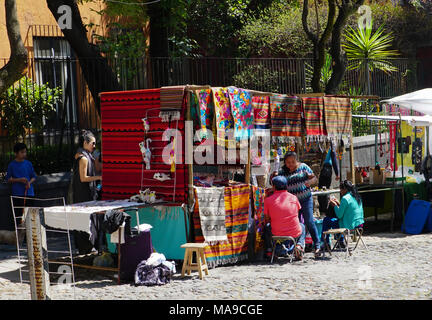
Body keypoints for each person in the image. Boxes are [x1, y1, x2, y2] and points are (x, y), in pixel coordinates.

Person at [275, 151, 321, 257]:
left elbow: (314, 178)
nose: (290, 164)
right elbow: (275, 181)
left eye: (292, 162)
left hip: (305, 199)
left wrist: (310, 182)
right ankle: (297, 247)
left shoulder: (304, 167)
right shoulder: (283, 172)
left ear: (296, 160)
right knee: (296, 225)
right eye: (288, 162)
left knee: (309, 221)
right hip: (291, 203)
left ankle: (317, 245)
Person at [71, 130, 102, 254]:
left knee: (90, 220)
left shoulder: (86, 155)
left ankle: (89, 247)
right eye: (92, 144)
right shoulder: (83, 158)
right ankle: (85, 247)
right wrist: (99, 178)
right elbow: (83, 178)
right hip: (82, 194)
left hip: (88, 193)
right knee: (85, 220)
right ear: (85, 142)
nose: (94, 146)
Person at [264, 176, 306, 260]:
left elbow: (267, 218)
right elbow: (296, 215)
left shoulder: (267, 200)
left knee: (267, 227)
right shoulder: (294, 197)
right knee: (302, 226)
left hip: (276, 232)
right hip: (294, 232)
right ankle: (299, 245)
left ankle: (269, 250)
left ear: (274, 187)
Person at [322, 180, 365, 248]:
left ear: (345, 189)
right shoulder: (357, 196)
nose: (340, 191)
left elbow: (339, 215)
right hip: (359, 223)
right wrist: (339, 204)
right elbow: (348, 209)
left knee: (326, 220)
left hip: (349, 225)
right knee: (336, 221)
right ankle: (340, 241)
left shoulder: (345, 198)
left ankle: (326, 243)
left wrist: (335, 206)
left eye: (341, 189)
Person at [6, 143, 37, 226]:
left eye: (25, 152)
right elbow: (8, 179)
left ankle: (30, 238)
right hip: (17, 194)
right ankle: (20, 237)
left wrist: (29, 183)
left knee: (30, 217)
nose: (24, 154)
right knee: (19, 217)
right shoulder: (11, 165)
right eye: (22, 152)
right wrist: (19, 179)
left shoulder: (28, 164)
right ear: (16, 153)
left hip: (29, 193)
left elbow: (34, 177)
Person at [318, 142, 339, 216]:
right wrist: (337, 173)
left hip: (320, 169)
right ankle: (325, 210)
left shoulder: (319, 144)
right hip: (326, 169)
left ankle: (322, 211)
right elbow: (334, 159)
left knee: (320, 190)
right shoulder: (330, 145)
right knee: (325, 190)